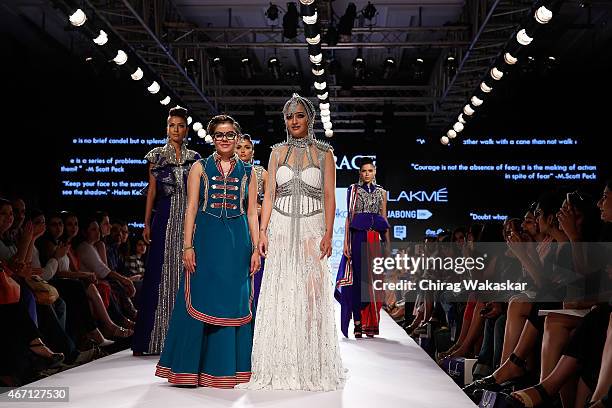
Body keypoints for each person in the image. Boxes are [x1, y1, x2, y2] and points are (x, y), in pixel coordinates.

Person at [238, 93, 344, 391]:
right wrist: (262, 232)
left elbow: (329, 197)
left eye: (299, 115)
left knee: (311, 295)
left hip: (312, 228)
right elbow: (268, 195)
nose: (294, 121)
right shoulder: (276, 153)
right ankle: (279, 362)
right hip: (281, 228)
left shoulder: (325, 153)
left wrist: (328, 232)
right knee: (281, 293)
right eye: (289, 116)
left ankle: (310, 362)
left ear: (309, 118)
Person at [155, 114, 260, 388]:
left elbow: (251, 212)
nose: (225, 139)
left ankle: (225, 370)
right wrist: (187, 245)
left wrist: (256, 249)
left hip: (237, 242)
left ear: (237, 138)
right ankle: (189, 369)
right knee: (198, 296)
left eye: (230, 134)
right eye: (220, 135)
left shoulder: (249, 172)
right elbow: (190, 207)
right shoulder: (199, 167)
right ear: (213, 138)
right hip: (206, 238)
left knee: (232, 301)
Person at [132, 106, 201, 355]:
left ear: (186, 129)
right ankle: (155, 338)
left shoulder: (194, 158)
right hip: (164, 216)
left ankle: (182, 338)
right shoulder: (157, 156)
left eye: (181, 126)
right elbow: (151, 191)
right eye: (172, 125)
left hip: (188, 219)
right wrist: (147, 222)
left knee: (185, 273)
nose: (176, 130)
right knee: (160, 272)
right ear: (167, 127)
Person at [335, 157, 390, 338]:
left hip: (375, 240)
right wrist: (345, 243)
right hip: (358, 238)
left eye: (370, 170)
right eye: (364, 171)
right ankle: (358, 322)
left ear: (375, 172)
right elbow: (349, 218)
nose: (367, 173)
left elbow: (384, 219)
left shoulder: (382, 192)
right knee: (358, 281)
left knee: (374, 282)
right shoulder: (353, 190)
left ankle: (371, 324)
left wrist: (388, 245)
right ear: (360, 173)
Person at [236, 133, 268, 316]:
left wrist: (260, 210)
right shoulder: (229, 171)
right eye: (239, 147)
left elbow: (273, 203)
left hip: (256, 227)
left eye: (247, 147)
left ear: (253, 150)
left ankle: (257, 316)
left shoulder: (261, 173)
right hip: (235, 226)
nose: (243, 151)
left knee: (256, 272)